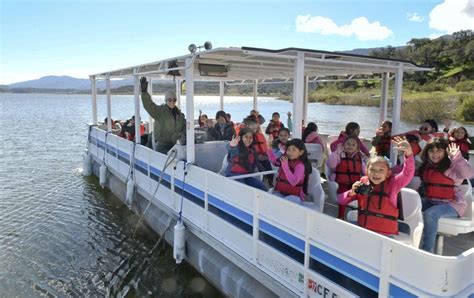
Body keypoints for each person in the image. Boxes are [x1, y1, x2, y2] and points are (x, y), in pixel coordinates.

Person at [338, 137, 414, 236]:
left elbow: (407, 173)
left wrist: (408, 154)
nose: (376, 173)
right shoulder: (363, 183)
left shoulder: (393, 184)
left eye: (381, 170)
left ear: (388, 173)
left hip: (386, 235)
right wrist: (351, 192)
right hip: (363, 230)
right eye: (372, 169)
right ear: (366, 171)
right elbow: (340, 200)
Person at [417, 138, 474, 253]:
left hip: (453, 205)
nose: (435, 154)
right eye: (431, 151)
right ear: (427, 152)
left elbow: (468, 174)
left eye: (439, 150)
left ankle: (427, 251)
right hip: (432, 201)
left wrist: (456, 157)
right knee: (407, 204)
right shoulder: (426, 167)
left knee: (431, 214)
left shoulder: (452, 167)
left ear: (445, 152)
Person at [140, 77, 185, 154]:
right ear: (166, 100)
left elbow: (185, 128)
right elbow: (149, 105)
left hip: (177, 145)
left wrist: (182, 137)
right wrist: (144, 92)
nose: (172, 102)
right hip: (163, 146)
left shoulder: (180, 115)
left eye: (174, 100)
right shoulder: (159, 112)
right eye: (169, 100)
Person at [327, 136, 366, 219]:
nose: (350, 146)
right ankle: (341, 216)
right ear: (343, 145)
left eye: (353, 145)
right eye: (348, 144)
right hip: (341, 183)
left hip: (355, 184)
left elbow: (365, 171)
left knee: (363, 194)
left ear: (357, 147)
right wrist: (337, 152)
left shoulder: (359, 157)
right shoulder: (338, 155)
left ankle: (362, 216)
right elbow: (331, 164)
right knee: (343, 195)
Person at [270, 139, 312, 204]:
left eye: (294, 150)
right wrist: (269, 148)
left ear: (301, 152)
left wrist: (285, 166)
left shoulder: (300, 166)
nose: (290, 152)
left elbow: (294, 182)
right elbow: (274, 161)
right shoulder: (286, 160)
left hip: (294, 196)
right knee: (272, 201)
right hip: (281, 192)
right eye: (288, 150)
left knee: (283, 204)